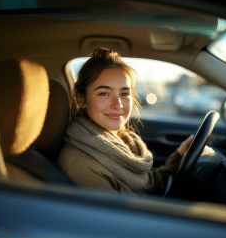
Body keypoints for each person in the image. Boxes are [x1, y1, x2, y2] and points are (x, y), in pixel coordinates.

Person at [57, 47, 193, 194]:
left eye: (124, 93)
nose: (118, 104)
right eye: (104, 93)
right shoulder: (82, 166)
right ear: (81, 99)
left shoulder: (120, 140)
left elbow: (146, 185)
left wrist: (179, 157)